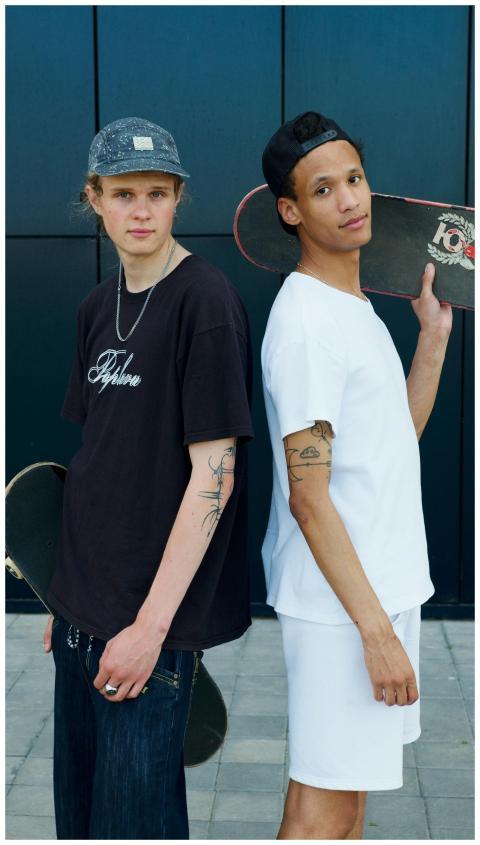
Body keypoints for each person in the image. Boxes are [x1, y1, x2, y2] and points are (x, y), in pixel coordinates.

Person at [43, 116, 253, 839]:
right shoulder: (96, 308)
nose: (141, 210)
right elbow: (98, 458)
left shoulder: (206, 304)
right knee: (80, 819)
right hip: (79, 613)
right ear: (94, 197)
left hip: (146, 630)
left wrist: (150, 628)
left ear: (177, 198)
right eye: (124, 193)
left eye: (157, 193)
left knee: (134, 827)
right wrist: (59, 584)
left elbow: (213, 477)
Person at [260, 111, 452, 840]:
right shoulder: (307, 322)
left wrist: (430, 341)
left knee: (347, 802)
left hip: (376, 591)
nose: (349, 200)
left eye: (355, 179)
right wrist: (374, 633)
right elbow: (309, 498)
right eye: (323, 189)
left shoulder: (353, 306)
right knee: (325, 809)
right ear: (290, 210)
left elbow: (389, 445)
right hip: (341, 610)